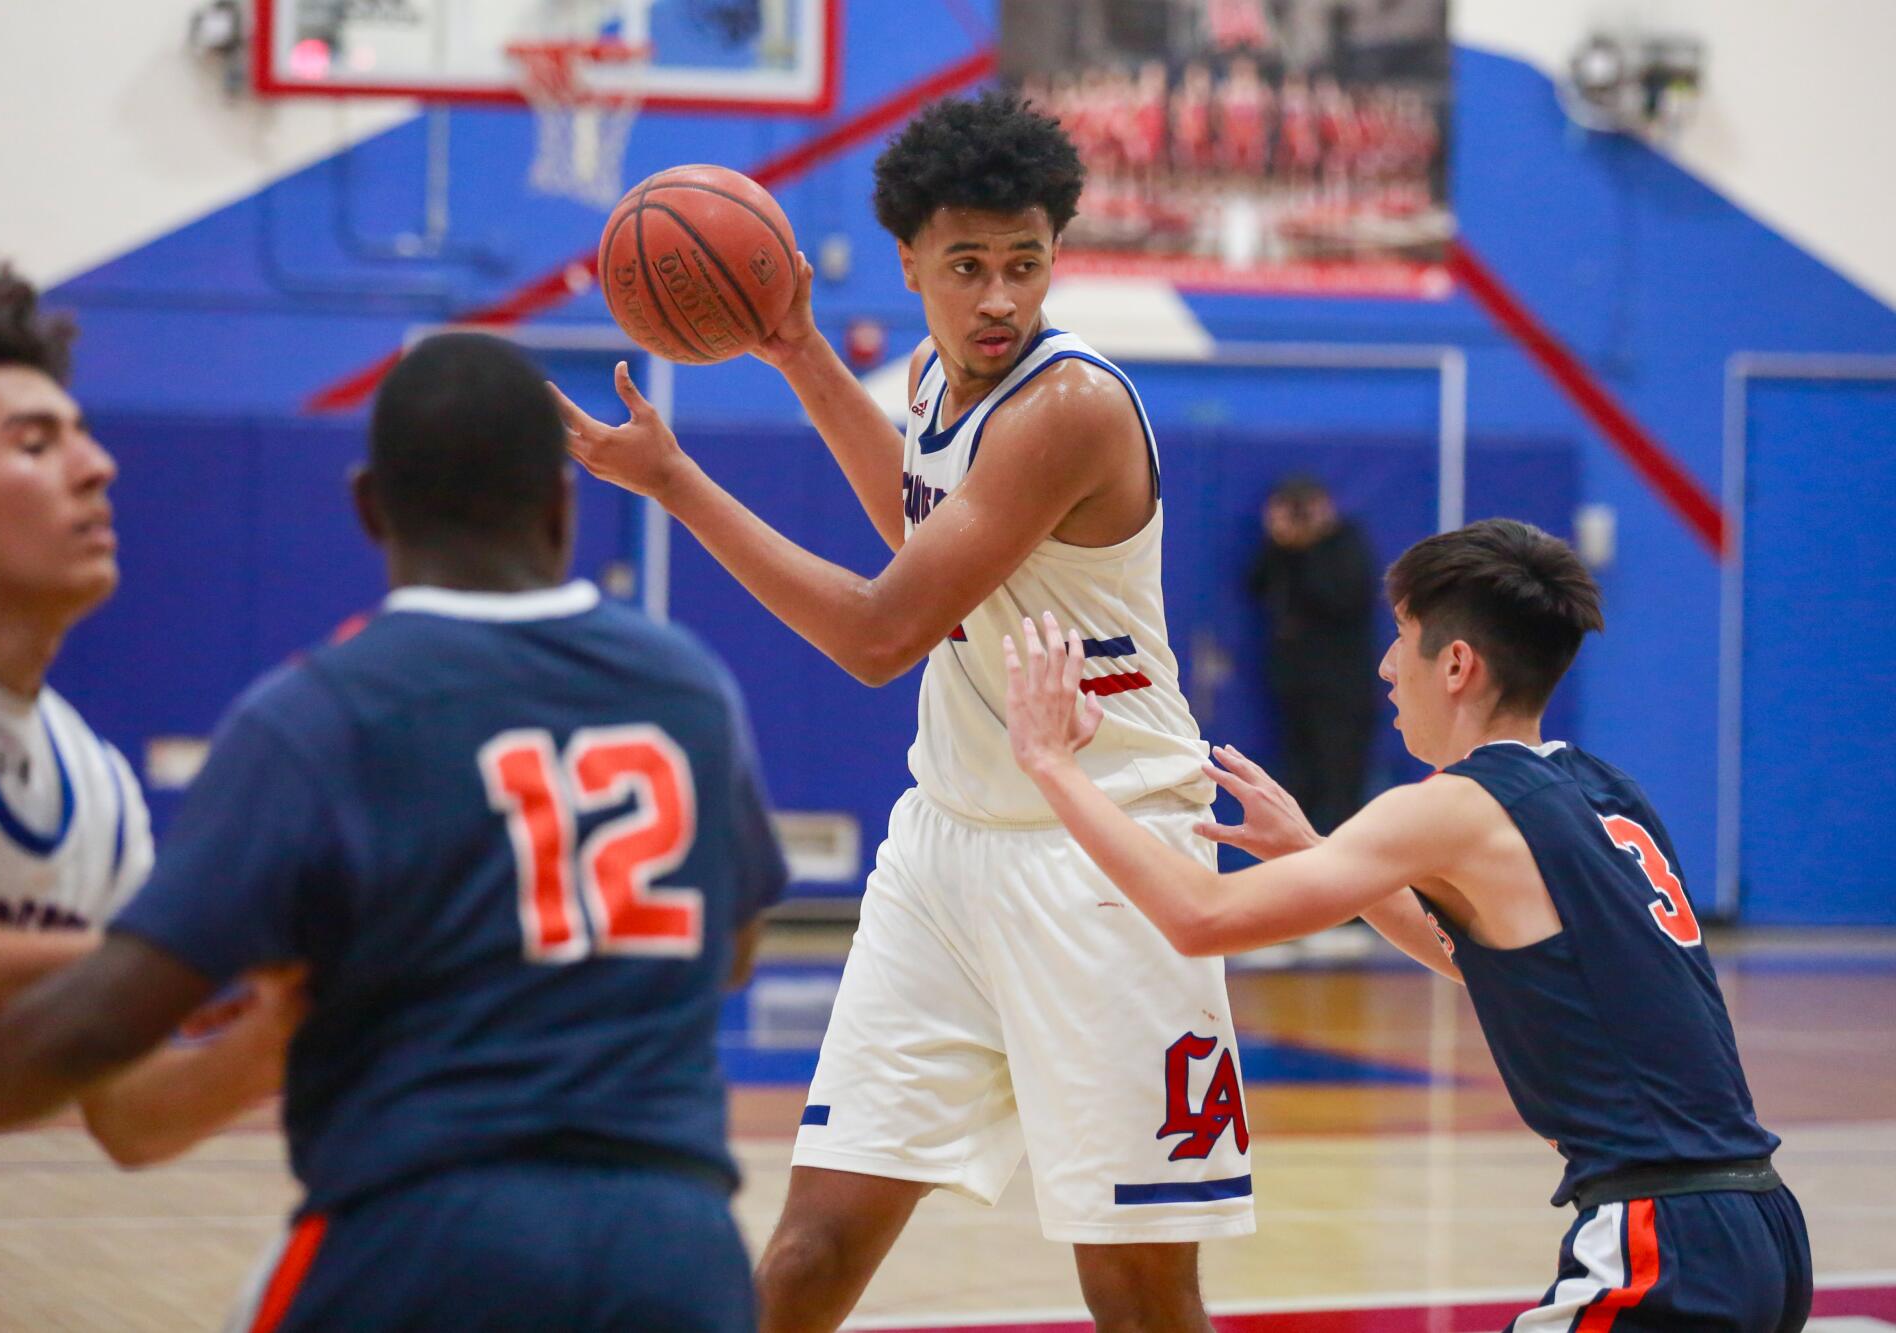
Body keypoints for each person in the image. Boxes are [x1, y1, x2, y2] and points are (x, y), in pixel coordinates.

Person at [0, 331, 788, 1332]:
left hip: (429, 1226)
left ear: (368, 508)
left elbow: (106, 1017)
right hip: (678, 1243)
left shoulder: (319, 714)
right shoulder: (688, 687)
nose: (95, 466)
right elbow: (732, 945)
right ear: (562, 503)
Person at [557, 91, 1249, 1333]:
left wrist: (675, 482)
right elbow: (918, 523)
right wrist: (796, 352)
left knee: (1137, 1289)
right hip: (946, 851)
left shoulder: (1066, 408)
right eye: (968, 266)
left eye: (1024, 265)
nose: (998, 298)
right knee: (813, 1245)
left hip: (1107, 858)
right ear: (910, 264)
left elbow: (884, 631)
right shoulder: (936, 377)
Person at [1002, 519, 1812, 1332]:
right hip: (1763, 1223)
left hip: (1663, 1243)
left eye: (1403, 637)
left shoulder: (1454, 806)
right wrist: (1322, 855)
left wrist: (1053, 767)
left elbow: (1199, 916)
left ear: (1457, 664)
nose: (1387, 667)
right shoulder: (1602, 790)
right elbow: (1494, 963)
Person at [0, 267, 302, 1325]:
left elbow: (129, 1114)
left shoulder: (93, 785)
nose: (98, 465)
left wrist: (286, 1022)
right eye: (35, 444)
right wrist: (190, 953)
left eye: (82, 434)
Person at [1245, 474, 1378, 834]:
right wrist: (1279, 542)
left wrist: (1310, 546)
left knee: (1340, 785)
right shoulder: (1279, 551)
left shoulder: (1346, 543)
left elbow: (1341, 598)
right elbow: (1255, 585)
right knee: (1296, 781)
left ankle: (1341, 868)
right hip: (1294, 684)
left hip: (1342, 690)